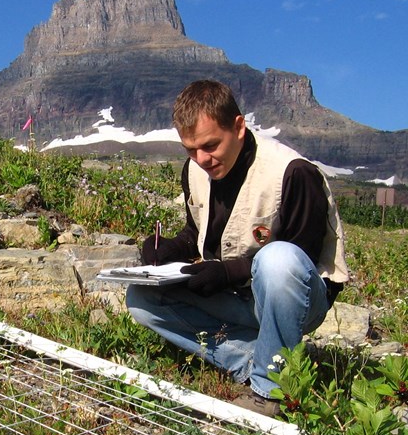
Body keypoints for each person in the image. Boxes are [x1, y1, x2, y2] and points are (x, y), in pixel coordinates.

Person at [126, 80, 349, 416]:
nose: (202, 159)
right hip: (238, 296)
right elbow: (197, 232)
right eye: (190, 149)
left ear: (239, 127)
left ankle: (272, 391)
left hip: (298, 301)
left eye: (210, 145)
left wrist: (227, 272)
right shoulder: (195, 170)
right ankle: (254, 358)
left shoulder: (294, 173)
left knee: (278, 260)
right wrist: (167, 248)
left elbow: (300, 261)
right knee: (141, 299)